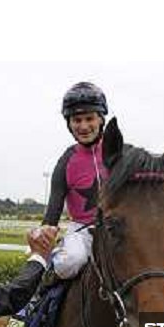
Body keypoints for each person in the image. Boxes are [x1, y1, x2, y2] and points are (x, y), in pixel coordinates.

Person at [42, 81, 110, 280]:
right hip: (81, 232)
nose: (83, 126)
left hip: (115, 231)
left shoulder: (119, 152)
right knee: (72, 260)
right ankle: (44, 285)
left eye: (89, 118)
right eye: (77, 120)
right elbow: (53, 211)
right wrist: (44, 234)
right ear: (69, 123)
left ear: (101, 119)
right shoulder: (66, 161)